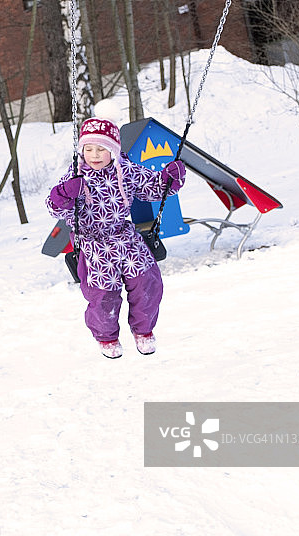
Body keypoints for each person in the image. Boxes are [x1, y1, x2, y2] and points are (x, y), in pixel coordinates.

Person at [47, 117, 186, 358]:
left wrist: (167, 179)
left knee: (147, 283)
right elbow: (54, 208)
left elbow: (152, 187)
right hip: (93, 244)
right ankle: (107, 337)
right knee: (103, 297)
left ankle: (144, 331)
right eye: (89, 149)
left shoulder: (127, 169)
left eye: (102, 148)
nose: (95, 154)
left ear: (113, 149)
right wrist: (65, 193)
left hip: (125, 236)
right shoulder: (76, 173)